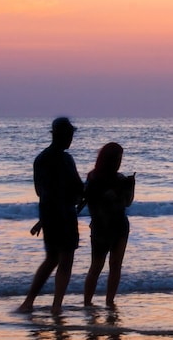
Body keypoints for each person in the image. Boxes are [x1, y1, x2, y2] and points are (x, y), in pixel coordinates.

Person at [19, 117, 85, 315]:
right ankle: (56, 306)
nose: (70, 140)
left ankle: (29, 302)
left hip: (50, 213)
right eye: (69, 136)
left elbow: (40, 191)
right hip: (63, 214)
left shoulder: (42, 158)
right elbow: (77, 188)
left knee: (52, 259)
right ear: (60, 135)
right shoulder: (63, 159)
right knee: (64, 261)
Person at [83, 142, 135, 307]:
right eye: (118, 158)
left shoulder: (120, 178)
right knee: (97, 266)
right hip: (101, 226)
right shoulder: (93, 178)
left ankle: (109, 301)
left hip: (120, 225)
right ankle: (87, 302)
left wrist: (130, 187)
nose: (120, 162)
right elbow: (92, 199)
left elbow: (127, 203)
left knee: (116, 265)